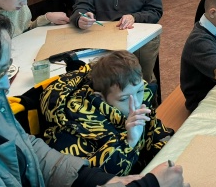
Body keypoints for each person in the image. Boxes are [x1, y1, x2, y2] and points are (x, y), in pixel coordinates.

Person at [0, 6, 187, 187]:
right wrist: (130, 147)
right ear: (101, 97)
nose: (5, 86)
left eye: (7, 69)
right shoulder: (76, 125)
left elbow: (33, 153)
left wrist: (170, 153)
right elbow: (96, 165)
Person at [41, 51, 173, 176]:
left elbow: (156, 134)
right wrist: (129, 142)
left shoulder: (135, 94)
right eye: (124, 99)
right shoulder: (75, 127)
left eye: (139, 91)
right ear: (101, 97)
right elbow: (93, 179)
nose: (137, 103)